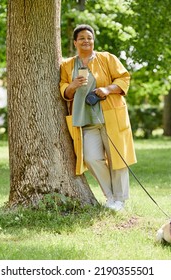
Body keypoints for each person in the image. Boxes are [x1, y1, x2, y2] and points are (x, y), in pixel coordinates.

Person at [59, 24, 137, 211]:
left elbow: (124, 78)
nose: (86, 41)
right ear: (75, 42)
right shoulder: (67, 65)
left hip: (111, 116)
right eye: (82, 38)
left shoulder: (107, 58)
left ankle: (120, 200)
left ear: (93, 41)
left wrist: (107, 89)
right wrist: (73, 85)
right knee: (92, 158)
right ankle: (110, 196)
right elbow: (64, 89)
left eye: (89, 37)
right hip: (85, 120)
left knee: (118, 158)